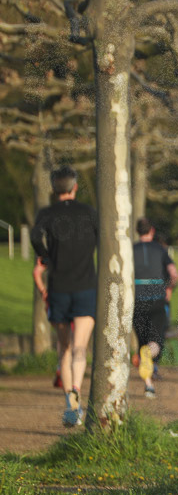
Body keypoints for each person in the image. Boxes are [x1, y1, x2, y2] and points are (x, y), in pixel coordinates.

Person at [30, 165, 98, 428]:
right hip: (85, 287)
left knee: (64, 348)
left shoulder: (47, 213)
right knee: (81, 347)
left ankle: (70, 404)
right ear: (75, 187)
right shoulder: (90, 213)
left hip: (58, 288)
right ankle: (77, 393)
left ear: (54, 187)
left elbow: (36, 235)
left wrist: (45, 256)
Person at [132, 218, 178, 398]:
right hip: (157, 299)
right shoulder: (160, 249)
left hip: (136, 300)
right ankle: (147, 356)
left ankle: (149, 385)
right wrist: (168, 287)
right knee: (155, 342)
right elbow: (174, 274)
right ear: (151, 230)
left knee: (142, 340)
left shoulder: (131, 250)